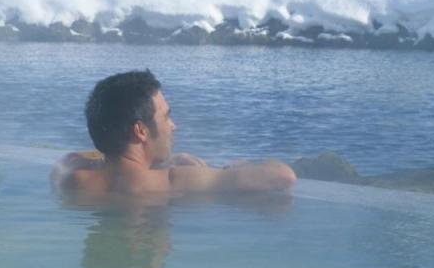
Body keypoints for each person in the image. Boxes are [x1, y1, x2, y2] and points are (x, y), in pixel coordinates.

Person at [52, 70, 296, 197]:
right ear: (140, 131)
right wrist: (233, 169)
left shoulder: (69, 173)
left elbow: (97, 155)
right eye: (166, 116)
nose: (173, 126)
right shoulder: (172, 180)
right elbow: (283, 177)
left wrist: (158, 162)